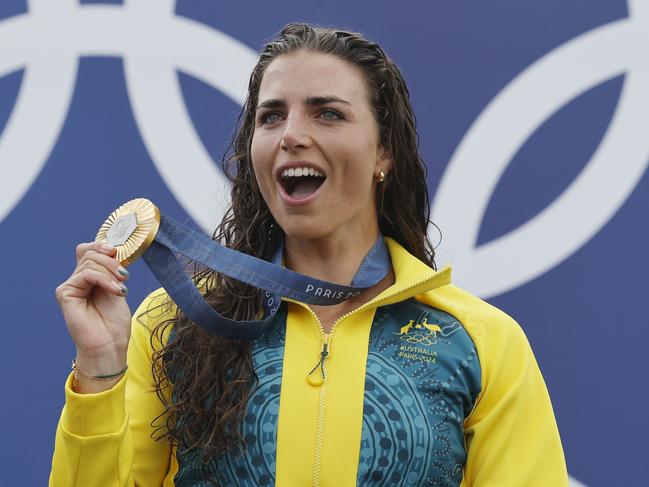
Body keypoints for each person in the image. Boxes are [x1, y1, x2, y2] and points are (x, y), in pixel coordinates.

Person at [50, 23, 568, 486]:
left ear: (384, 152)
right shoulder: (175, 319)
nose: (292, 135)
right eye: (271, 117)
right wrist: (100, 369)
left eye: (328, 113)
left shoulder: (480, 340)